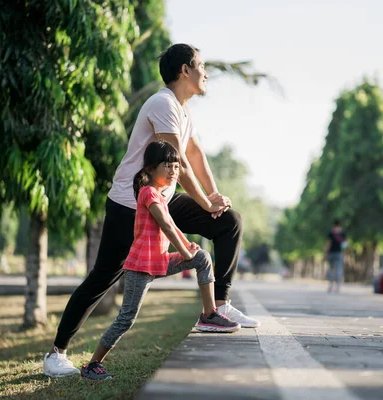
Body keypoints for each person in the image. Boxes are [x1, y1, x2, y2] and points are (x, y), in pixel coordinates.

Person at [43, 43, 259, 378]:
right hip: (131, 203)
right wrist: (204, 202)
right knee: (105, 277)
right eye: (201, 66)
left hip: (163, 200)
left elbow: (197, 155)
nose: (206, 73)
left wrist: (215, 197)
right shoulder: (162, 103)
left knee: (228, 220)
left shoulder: (184, 110)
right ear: (184, 70)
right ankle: (56, 353)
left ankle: (217, 307)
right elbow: (180, 162)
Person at [80, 141, 240, 381]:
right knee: (126, 319)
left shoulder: (161, 195)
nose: (174, 170)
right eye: (168, 165)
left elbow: (172, 225)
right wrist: (185, 252)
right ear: (151, 168)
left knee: (203, 258)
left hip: (161, 261)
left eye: (176, 165)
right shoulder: (148, 193)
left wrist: (188, 247)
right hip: (140, 266)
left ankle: (209, 314)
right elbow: (165, 225)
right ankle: (92, 364)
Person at [323, 220, 347, 293]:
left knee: (331, 269)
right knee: (338, 270)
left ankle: (330, 286)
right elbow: (345, 245)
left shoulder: (331, 234)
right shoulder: (343, 234)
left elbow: (328, 244)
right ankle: (338, 287)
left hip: (331, 253)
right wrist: (345, 255)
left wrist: (325, 253)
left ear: (334, 226)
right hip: (339, 254)